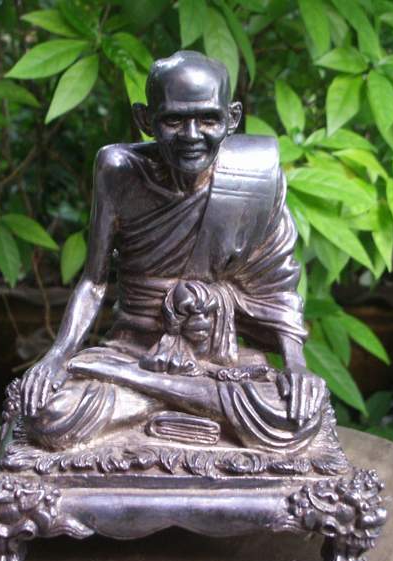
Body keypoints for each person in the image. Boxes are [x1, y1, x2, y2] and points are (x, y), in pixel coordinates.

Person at [19, 50, 326, 452]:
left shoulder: (256, 177)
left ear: (232, 118)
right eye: (174, 120)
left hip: (216, 358)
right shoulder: (119, 170)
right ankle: (190, 407)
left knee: (294, 417)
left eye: (208, 119)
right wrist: (58, 356)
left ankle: (149, 398)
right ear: (145, 120)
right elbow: (94, 282)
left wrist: (297, 365)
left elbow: (277, 288)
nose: (192, 135)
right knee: (50, 414)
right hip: (132, 351)